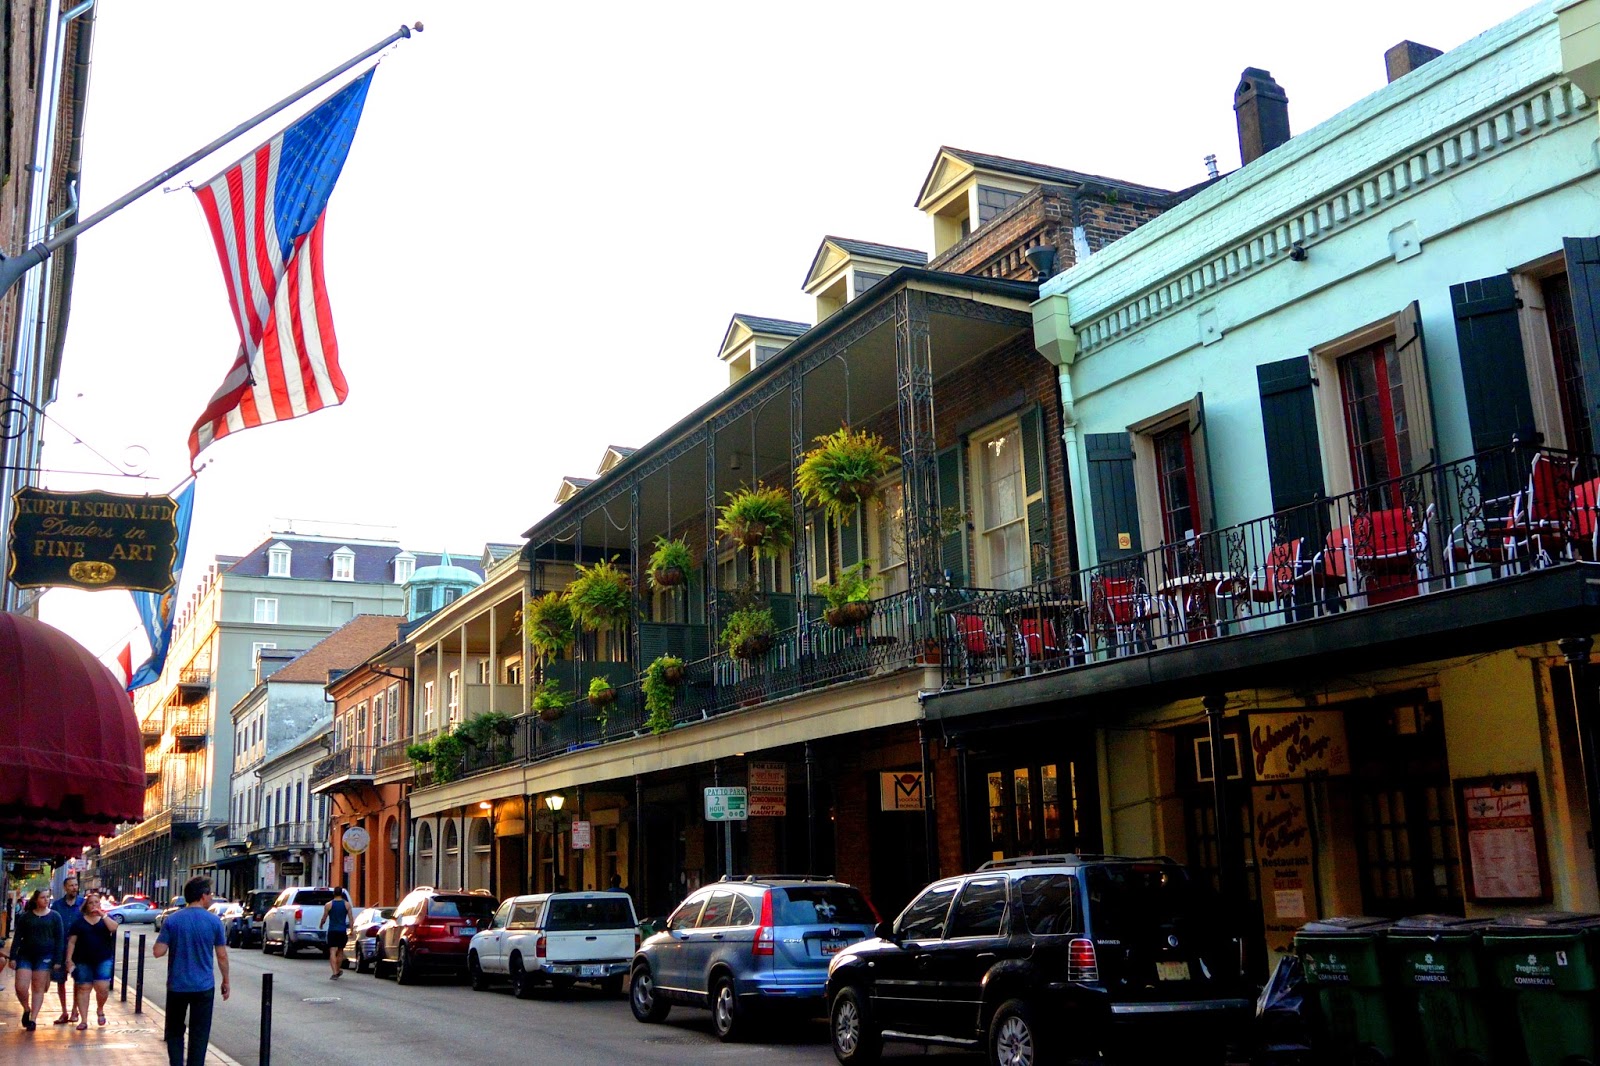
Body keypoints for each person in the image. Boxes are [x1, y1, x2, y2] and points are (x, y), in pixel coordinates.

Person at [153, 876, 229, 1066]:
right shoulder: (214, 921)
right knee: (200, 1032)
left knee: (175, 1031)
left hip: (177, 985)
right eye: (209, 894)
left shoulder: (172, 920)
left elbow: (158, 951)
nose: (211, 897)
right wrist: (226, 980)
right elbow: (221, 956)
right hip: (203, 986)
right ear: (202, 896)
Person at [10, 889, 63, 1031]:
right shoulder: (26, 917)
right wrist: (13, 957)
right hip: (25, 955)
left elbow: (59, 939)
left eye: (47, 897)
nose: (46, 900)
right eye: (42, 897)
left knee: (38, 987)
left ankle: (33, 1019)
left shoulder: (55, 917)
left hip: (45, 956)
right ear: (36, 900)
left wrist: (58, 960)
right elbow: (17, 938)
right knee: (20, 987)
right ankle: (26, 1008)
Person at [63, 891, 118, 1030]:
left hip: (103, 958)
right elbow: (72, 942)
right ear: (86, 906)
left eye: (96, 902)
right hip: (83, 960)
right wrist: (69, 959)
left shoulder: (105, 919)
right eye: (91, 903)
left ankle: (100, 1009)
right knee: (83, 988)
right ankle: (84, 1019)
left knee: (103, 987)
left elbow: (114, 928)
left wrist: (103, 915)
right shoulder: (79, 922)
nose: (94, 905)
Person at [49, 874, 85, 1024]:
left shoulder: (83, 904)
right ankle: (64, 1011)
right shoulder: (57, 905)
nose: (74, 888)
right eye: (71, 885)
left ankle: (75, 1011)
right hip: (60, 947)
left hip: (79, 948)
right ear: (65, 888)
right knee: (60, 981)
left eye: (76, 885)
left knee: (78, 980)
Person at [319, 888, 351, 979]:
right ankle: (338, 969)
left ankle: (334, 972)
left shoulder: (328, 905)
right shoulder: (346, 904)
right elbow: (351, 918)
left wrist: (321, 924)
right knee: (340, 951)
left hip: (332, 930)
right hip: (342, 931)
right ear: (341, 893)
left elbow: (324, 917)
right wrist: (352, 929)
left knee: (332, 951)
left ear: (334, 893)